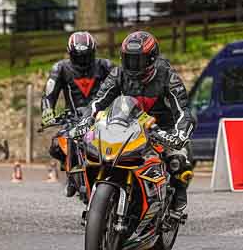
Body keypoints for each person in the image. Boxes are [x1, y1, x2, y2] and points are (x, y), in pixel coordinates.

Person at [87, 31, 195, 213]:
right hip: (127, 126)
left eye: (138, 60)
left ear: (151, 58)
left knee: (179, 161)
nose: (133, 65)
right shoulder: (118, 74)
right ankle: (95, 199)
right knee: (95, 152)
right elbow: (98, 102)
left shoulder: (168, 77)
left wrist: (180, 134)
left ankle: (177, 197)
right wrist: (85, 120)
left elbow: (183, 110)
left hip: (161, 130)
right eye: (129, 59)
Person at [41, 31, 113, 197]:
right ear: (70, 53)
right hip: (73, 118)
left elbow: (122, 86)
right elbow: (48, 94)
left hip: (102, 118)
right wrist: (47, 112)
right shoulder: (60, 68)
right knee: (56, 146)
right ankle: (70, 172)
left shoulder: (106, 66)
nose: (83, 61)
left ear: (93, 52)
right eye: (78, 56)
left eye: (86, 56)